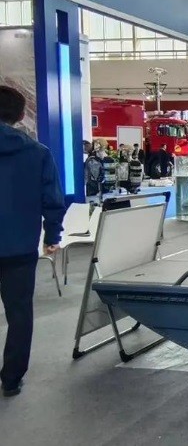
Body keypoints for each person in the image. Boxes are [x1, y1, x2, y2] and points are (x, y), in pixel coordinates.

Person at [0, 86, 65, 398]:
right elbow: (52, 200)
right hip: (20, 247)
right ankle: (11, 379)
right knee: (19, 313)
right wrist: (52, 236)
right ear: (20, 115)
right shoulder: (38, 153)